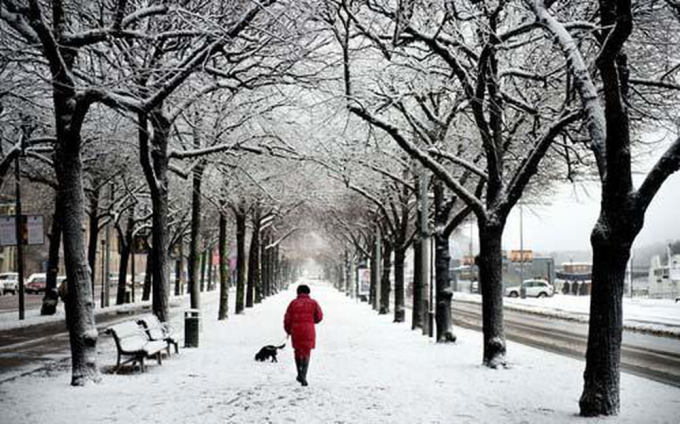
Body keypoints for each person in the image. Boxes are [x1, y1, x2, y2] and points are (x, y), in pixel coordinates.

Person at [284, 284, 323, 386]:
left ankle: (299, 373)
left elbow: (287, 319)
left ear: (298, 292)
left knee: (297, 352)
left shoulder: (293, 303)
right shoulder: (313, 303)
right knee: (306, 352)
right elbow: (319, 317)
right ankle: (304, 375)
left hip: (296, 331)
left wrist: (288, 330)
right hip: (309, 331)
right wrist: (311, 320)